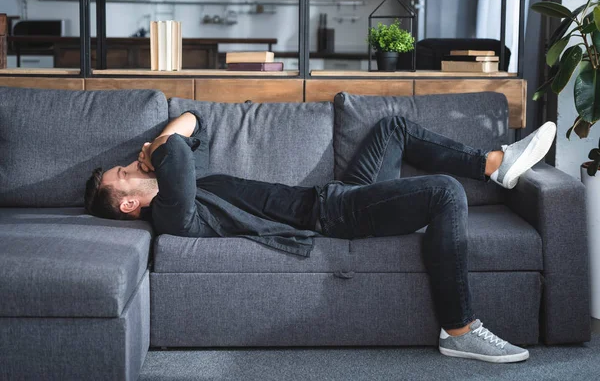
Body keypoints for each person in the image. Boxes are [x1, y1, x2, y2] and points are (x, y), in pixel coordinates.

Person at [84, 110, 557, 364]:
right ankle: (460, 329)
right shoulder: (172, 212)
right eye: (125, 172)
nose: (134, 163)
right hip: (334, 215)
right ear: (128, 204)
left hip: (334, 194)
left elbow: (193, 121)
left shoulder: (180, 189)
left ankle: (494, 165)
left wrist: (162, 139)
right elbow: (180, 157)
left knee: (392, 126)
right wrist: (159, 149)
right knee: (446, 194)